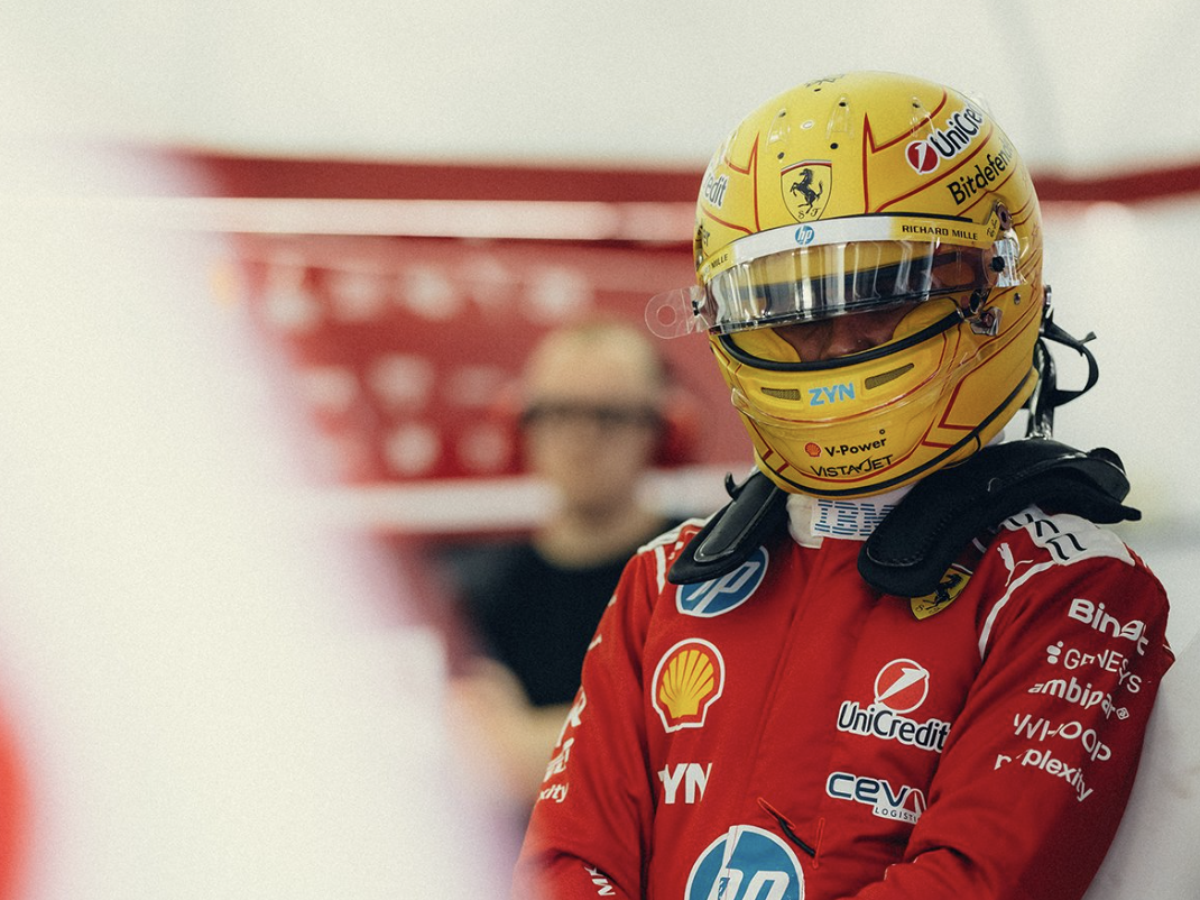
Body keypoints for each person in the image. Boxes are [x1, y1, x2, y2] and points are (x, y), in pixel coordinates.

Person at [513, 71, 1174, 900]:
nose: (832, 342)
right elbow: (565, 863)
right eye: (789, 311)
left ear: (995, 287)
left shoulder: (1070, 586)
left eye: (881, 296)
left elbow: (975, 883)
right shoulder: (665, 582)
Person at [442, 318, 686, 815]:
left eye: (609, 416)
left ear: (662, 434)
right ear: (522, 426)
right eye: (558, 413)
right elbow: (486, 761)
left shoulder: (703, 573)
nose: (581, 438)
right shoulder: (478, 592)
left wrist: (531, 739)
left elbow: (693, 747)